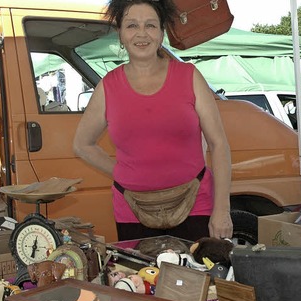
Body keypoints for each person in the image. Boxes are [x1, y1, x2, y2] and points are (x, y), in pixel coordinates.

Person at [73, 0, 232, 242]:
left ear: (161, 33)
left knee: (196, 277)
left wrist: (222, 210)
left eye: (150, 25)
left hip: (195, 204)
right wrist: (121, 172)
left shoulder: (189, 76)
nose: (141, 34)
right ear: (121, 35)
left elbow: (219, 144)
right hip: (132, 210)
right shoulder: (108, 86)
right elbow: (82, 144)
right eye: (132, 26)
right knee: (137, 279)